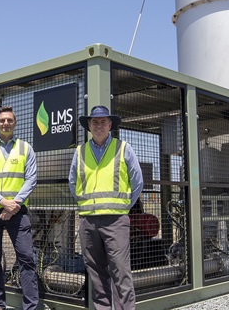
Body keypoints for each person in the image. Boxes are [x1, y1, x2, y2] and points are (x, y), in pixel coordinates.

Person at [68, 105, 144, 310]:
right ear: (89, 126)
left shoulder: (123, 148)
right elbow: (72, 182)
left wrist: (123, 207)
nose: (99, 125)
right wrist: (87, 205)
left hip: (116, 220)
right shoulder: (80, 152)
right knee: (96, 273)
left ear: (110, 125)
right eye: (95, 122)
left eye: (103, 121)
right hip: (88, 221)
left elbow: (138, 183)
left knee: (121, 272)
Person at [0, 106, 39, 310]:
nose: (5, 123)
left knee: (26, 257)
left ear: (15, 123)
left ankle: (30, 306)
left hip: (18, 211)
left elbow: (31, 179)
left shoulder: (25, 148)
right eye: (2, 120)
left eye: (9, 120)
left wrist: (14, 205)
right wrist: (4, 202)